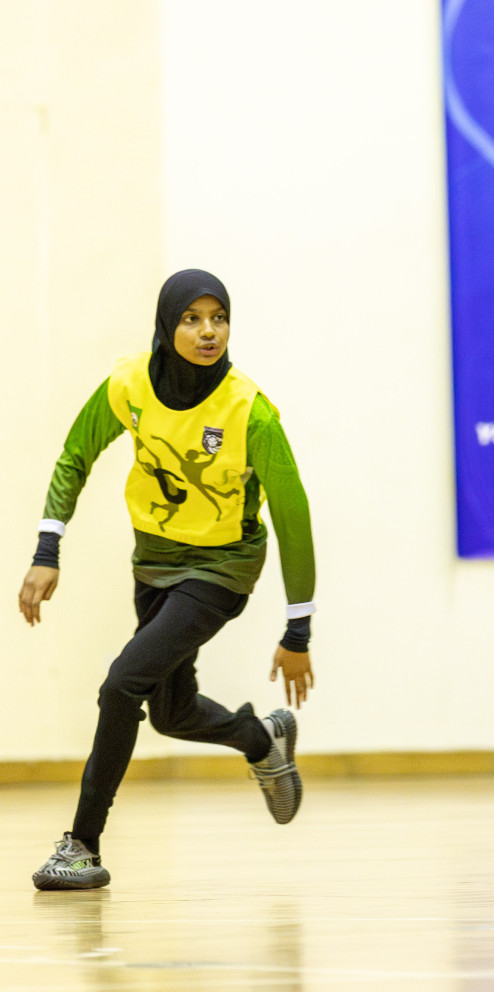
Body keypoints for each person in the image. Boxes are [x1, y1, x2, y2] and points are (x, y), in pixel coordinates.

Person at [17, 269, 316, 891]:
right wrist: (48, 548)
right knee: (172, 713)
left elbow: (293, 517)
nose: (208, 331)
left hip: (221, 569)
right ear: (167, 324)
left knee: (121, 686)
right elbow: (76, 455)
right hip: (153, 562)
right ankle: (262, 738)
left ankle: (82, 845)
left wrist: (298, 631)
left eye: (219, 318)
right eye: (192, 318)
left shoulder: (249, 412)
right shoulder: (128, 384)